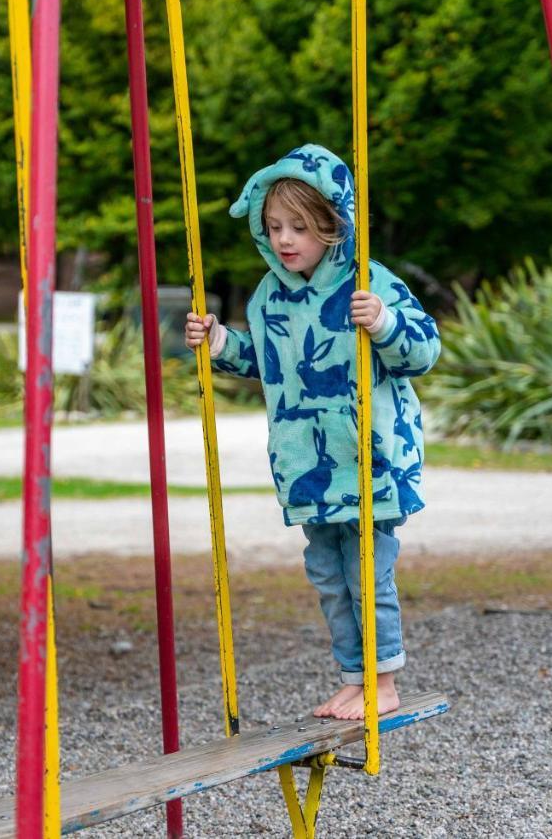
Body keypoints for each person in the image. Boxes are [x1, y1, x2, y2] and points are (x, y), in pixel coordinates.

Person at [184, 144, 440, 721]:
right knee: (327, 575)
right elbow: (269, 366)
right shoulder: (269, 296)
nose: (284, 239)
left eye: (299, 226)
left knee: (367, 571)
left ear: (333, 223)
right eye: (274, 227)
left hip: (371, 457)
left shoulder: (368, 280)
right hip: (307, 465)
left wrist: (383, 322)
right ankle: (354, 677)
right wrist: (221, 344)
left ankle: (385, 679)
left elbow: (423, 351)